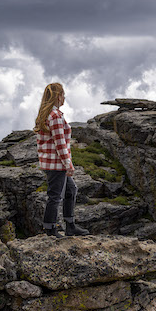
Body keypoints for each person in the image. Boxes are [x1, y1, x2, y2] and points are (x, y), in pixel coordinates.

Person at [34, 83, 89, 237]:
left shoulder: (47, 115)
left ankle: (70, 225)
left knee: (71, 190)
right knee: (55, 196)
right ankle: (50, 229)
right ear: (58, 96)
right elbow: (60, 144)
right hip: (56, 164)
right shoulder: (55, 116)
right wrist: (68, 164)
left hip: (51, 162)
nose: (64, 98)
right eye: (63, 95)